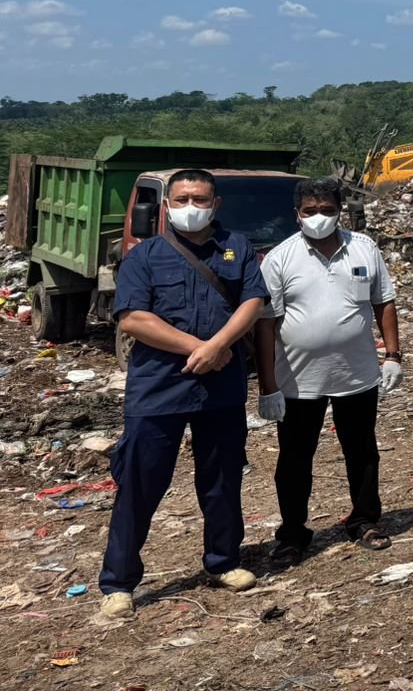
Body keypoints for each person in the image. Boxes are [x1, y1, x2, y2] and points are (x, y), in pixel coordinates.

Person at [98, 169, 265, 618]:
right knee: (140, 483)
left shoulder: (237, 247)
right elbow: (133, 318)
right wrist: (201, 348)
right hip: (158, 388)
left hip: (221, 386)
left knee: (222, 478)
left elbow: (253, 301)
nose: (192, 207)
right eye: (183, 199)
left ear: (216, 204)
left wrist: (219, 345)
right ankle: (118, 583)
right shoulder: (145, 256)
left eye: (201, 199)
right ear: (167, 205)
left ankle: (223, 561)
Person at [255, 177, 402, 564]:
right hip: (298, 381)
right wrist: (268, 386)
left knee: (362, 451)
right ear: (297, 214)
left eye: (327, 210)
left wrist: (393, 355)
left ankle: (364, 519)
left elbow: (383, 302)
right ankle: (292, 533)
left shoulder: (364, 248)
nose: (318, 217)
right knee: (294, 459)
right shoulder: (280, 258)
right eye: (310, 211)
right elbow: (266, 324)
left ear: (340, 211)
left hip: (357, 375)